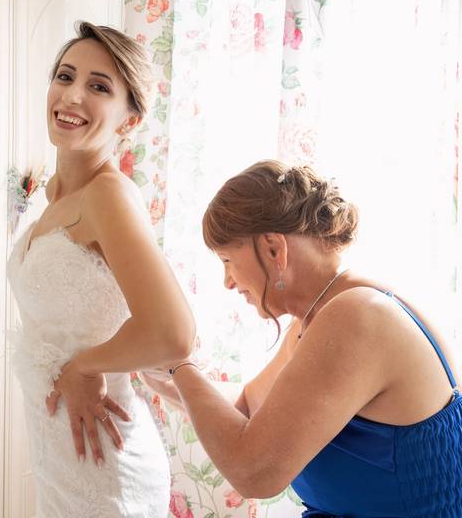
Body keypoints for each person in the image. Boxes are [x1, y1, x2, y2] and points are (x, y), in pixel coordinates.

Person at [142, 161, 462, 516]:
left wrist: (181, 365)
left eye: (228, 260)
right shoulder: (321, 314)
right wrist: (163, 374)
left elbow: (254, 472)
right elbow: (248, 406)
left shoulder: (358, 317)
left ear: (274, 250)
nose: (228, 282)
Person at [10, 21, 196, 517]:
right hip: (62, 452)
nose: (71, 96)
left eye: (98, 87)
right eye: (65, 76)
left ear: (128, 121)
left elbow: (174, 333)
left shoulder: (109, 195)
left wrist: (86, 366)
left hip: (106, 463)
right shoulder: (52, 194)